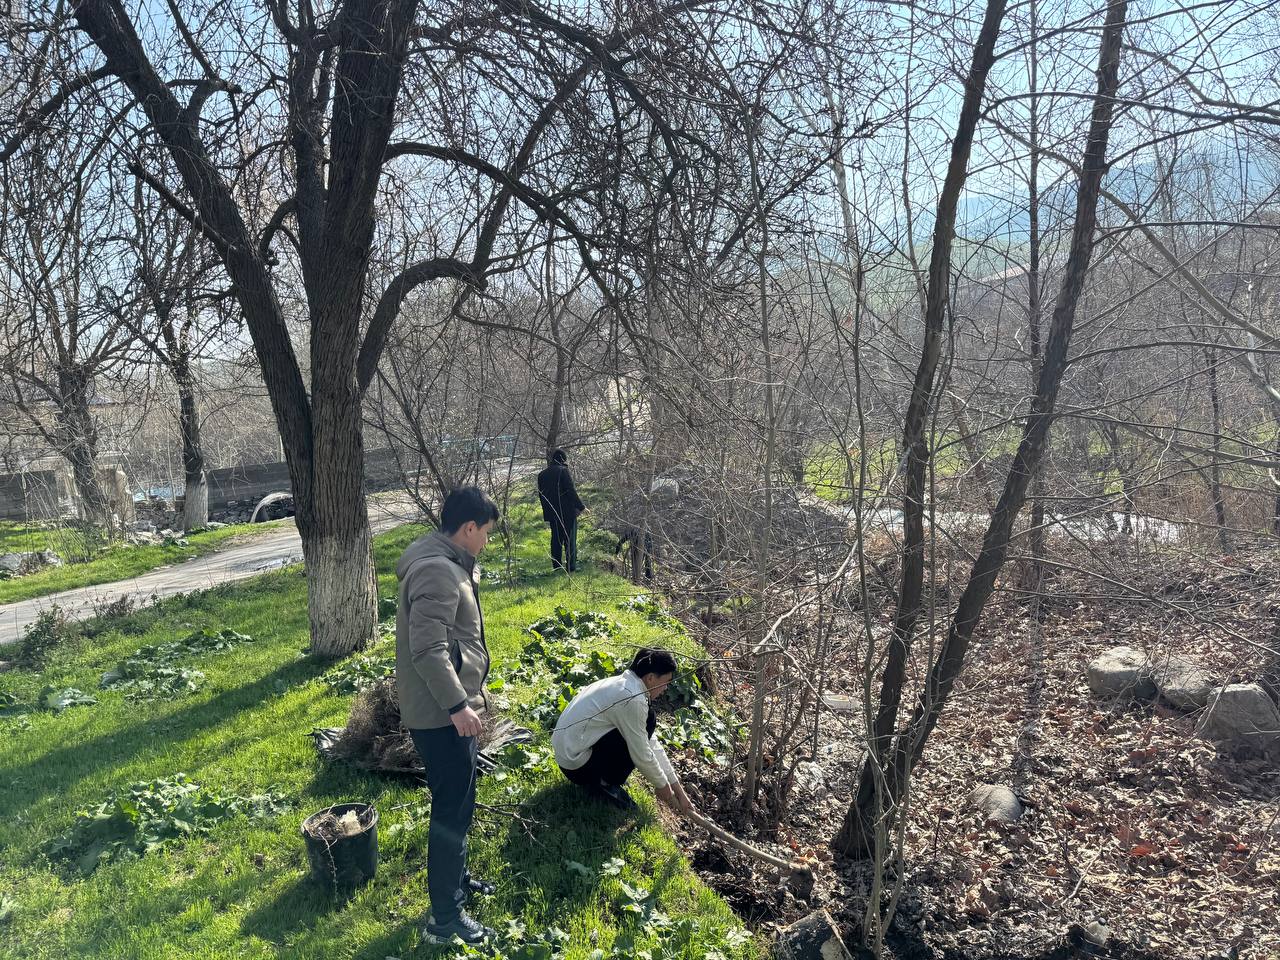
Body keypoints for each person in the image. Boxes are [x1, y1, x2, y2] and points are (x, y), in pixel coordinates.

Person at [395, 486, 501, 946]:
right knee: (451, 812)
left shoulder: (446, 561)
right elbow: (428, 650)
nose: (487, 542)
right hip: (440, 715)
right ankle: (445, 917)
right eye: (486, 533)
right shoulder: (438, 570)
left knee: (460, 801)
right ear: (468, 527)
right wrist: (458, 705)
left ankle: (456, 880)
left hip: (447, 708)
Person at [552, 648, 695, 814]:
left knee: (647, 723)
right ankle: (605, 784)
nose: (665, 688)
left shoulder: (624, 685)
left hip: (567, 757)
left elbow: (650, 742)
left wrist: (678, 790)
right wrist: (661, 785)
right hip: (577, 767)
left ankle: (602, 776)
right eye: (665, 682)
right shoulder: (631, 699)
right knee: (649, 721)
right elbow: (642, 753)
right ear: (650, 678)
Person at [537, 449, 586, 572]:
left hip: (552, 513)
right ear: (563, 460)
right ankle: (571, 567)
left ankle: (557, 566)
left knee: (556, 540)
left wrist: (547, 511)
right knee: (570, 540)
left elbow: (541, 496)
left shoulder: (542, 475)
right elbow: (570, 491)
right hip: (567, 512)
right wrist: (581, 507)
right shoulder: (563, 471)